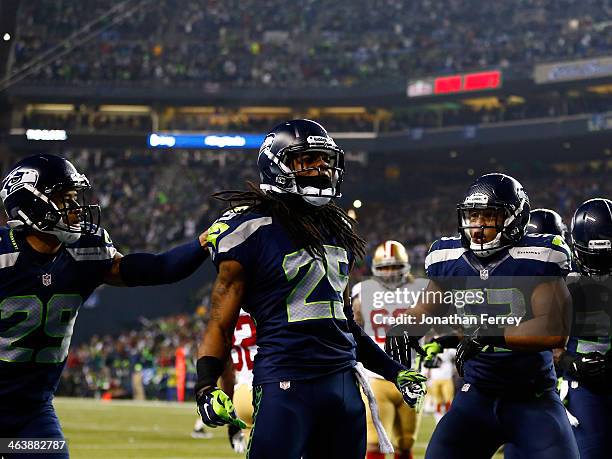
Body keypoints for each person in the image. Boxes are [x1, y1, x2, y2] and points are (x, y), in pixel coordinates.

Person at [194, 119, 427, 459]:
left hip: (343, 385)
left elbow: (346, 327)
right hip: (286, 384)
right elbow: (220, 324)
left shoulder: (339, 231)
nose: (321, 169)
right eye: (308, 160)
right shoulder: (250, 230)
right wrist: (204, 385)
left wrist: (396, 371)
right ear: (277, 165)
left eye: (325, 160)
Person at [0, 154, 209, 457]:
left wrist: (204, 241)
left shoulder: (84, 252)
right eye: (63, 199)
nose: (75, 209)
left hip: (31, 412)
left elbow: (158, 269)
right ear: (31, 204)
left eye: (74, 198)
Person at [386, 173, 579, 459]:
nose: (477, 227)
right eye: (473, 216)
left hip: (533, 397)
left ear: (514, 219)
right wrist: (403, 328)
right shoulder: (448, 258)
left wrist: (490, 333)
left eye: (488, 217)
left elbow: (552, 330)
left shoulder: (539, 256)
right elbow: (425, 309)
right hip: (476, 395)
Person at [352, 240, 428, 459]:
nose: (389, 272)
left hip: (411, 373)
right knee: (374, 442)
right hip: (376, 377)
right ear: (376, 268)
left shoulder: (420, 288)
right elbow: (354, 327)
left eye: (394, 266)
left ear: (404, 266)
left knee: (406, 442)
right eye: (385, 267)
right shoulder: (363, 291)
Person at [554, 198, 612, 459]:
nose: (602, 268)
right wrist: (571, 363)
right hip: (584, 384)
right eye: (594, 257)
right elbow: (541, 344)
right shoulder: (563, 281)